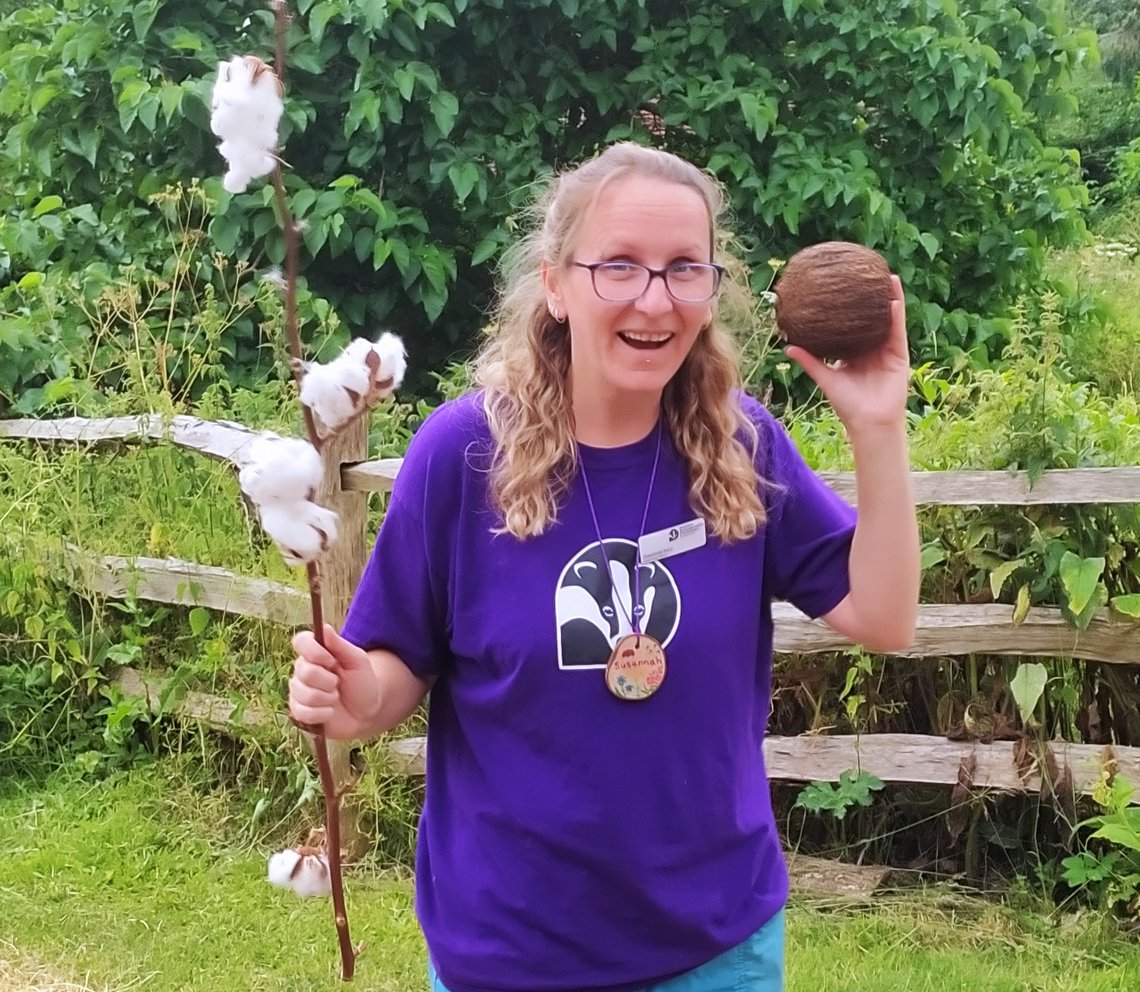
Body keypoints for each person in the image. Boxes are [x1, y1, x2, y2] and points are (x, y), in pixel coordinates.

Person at [288, 141, 919, 992]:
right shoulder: (464, 452)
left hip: (713, 947)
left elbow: (884, 616)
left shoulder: (740, 444)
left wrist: (879, 428)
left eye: (683, 268)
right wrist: (352, 695)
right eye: (617, 266)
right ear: (555, 283)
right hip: (511, 952)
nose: (654, 300)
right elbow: (395, 668)